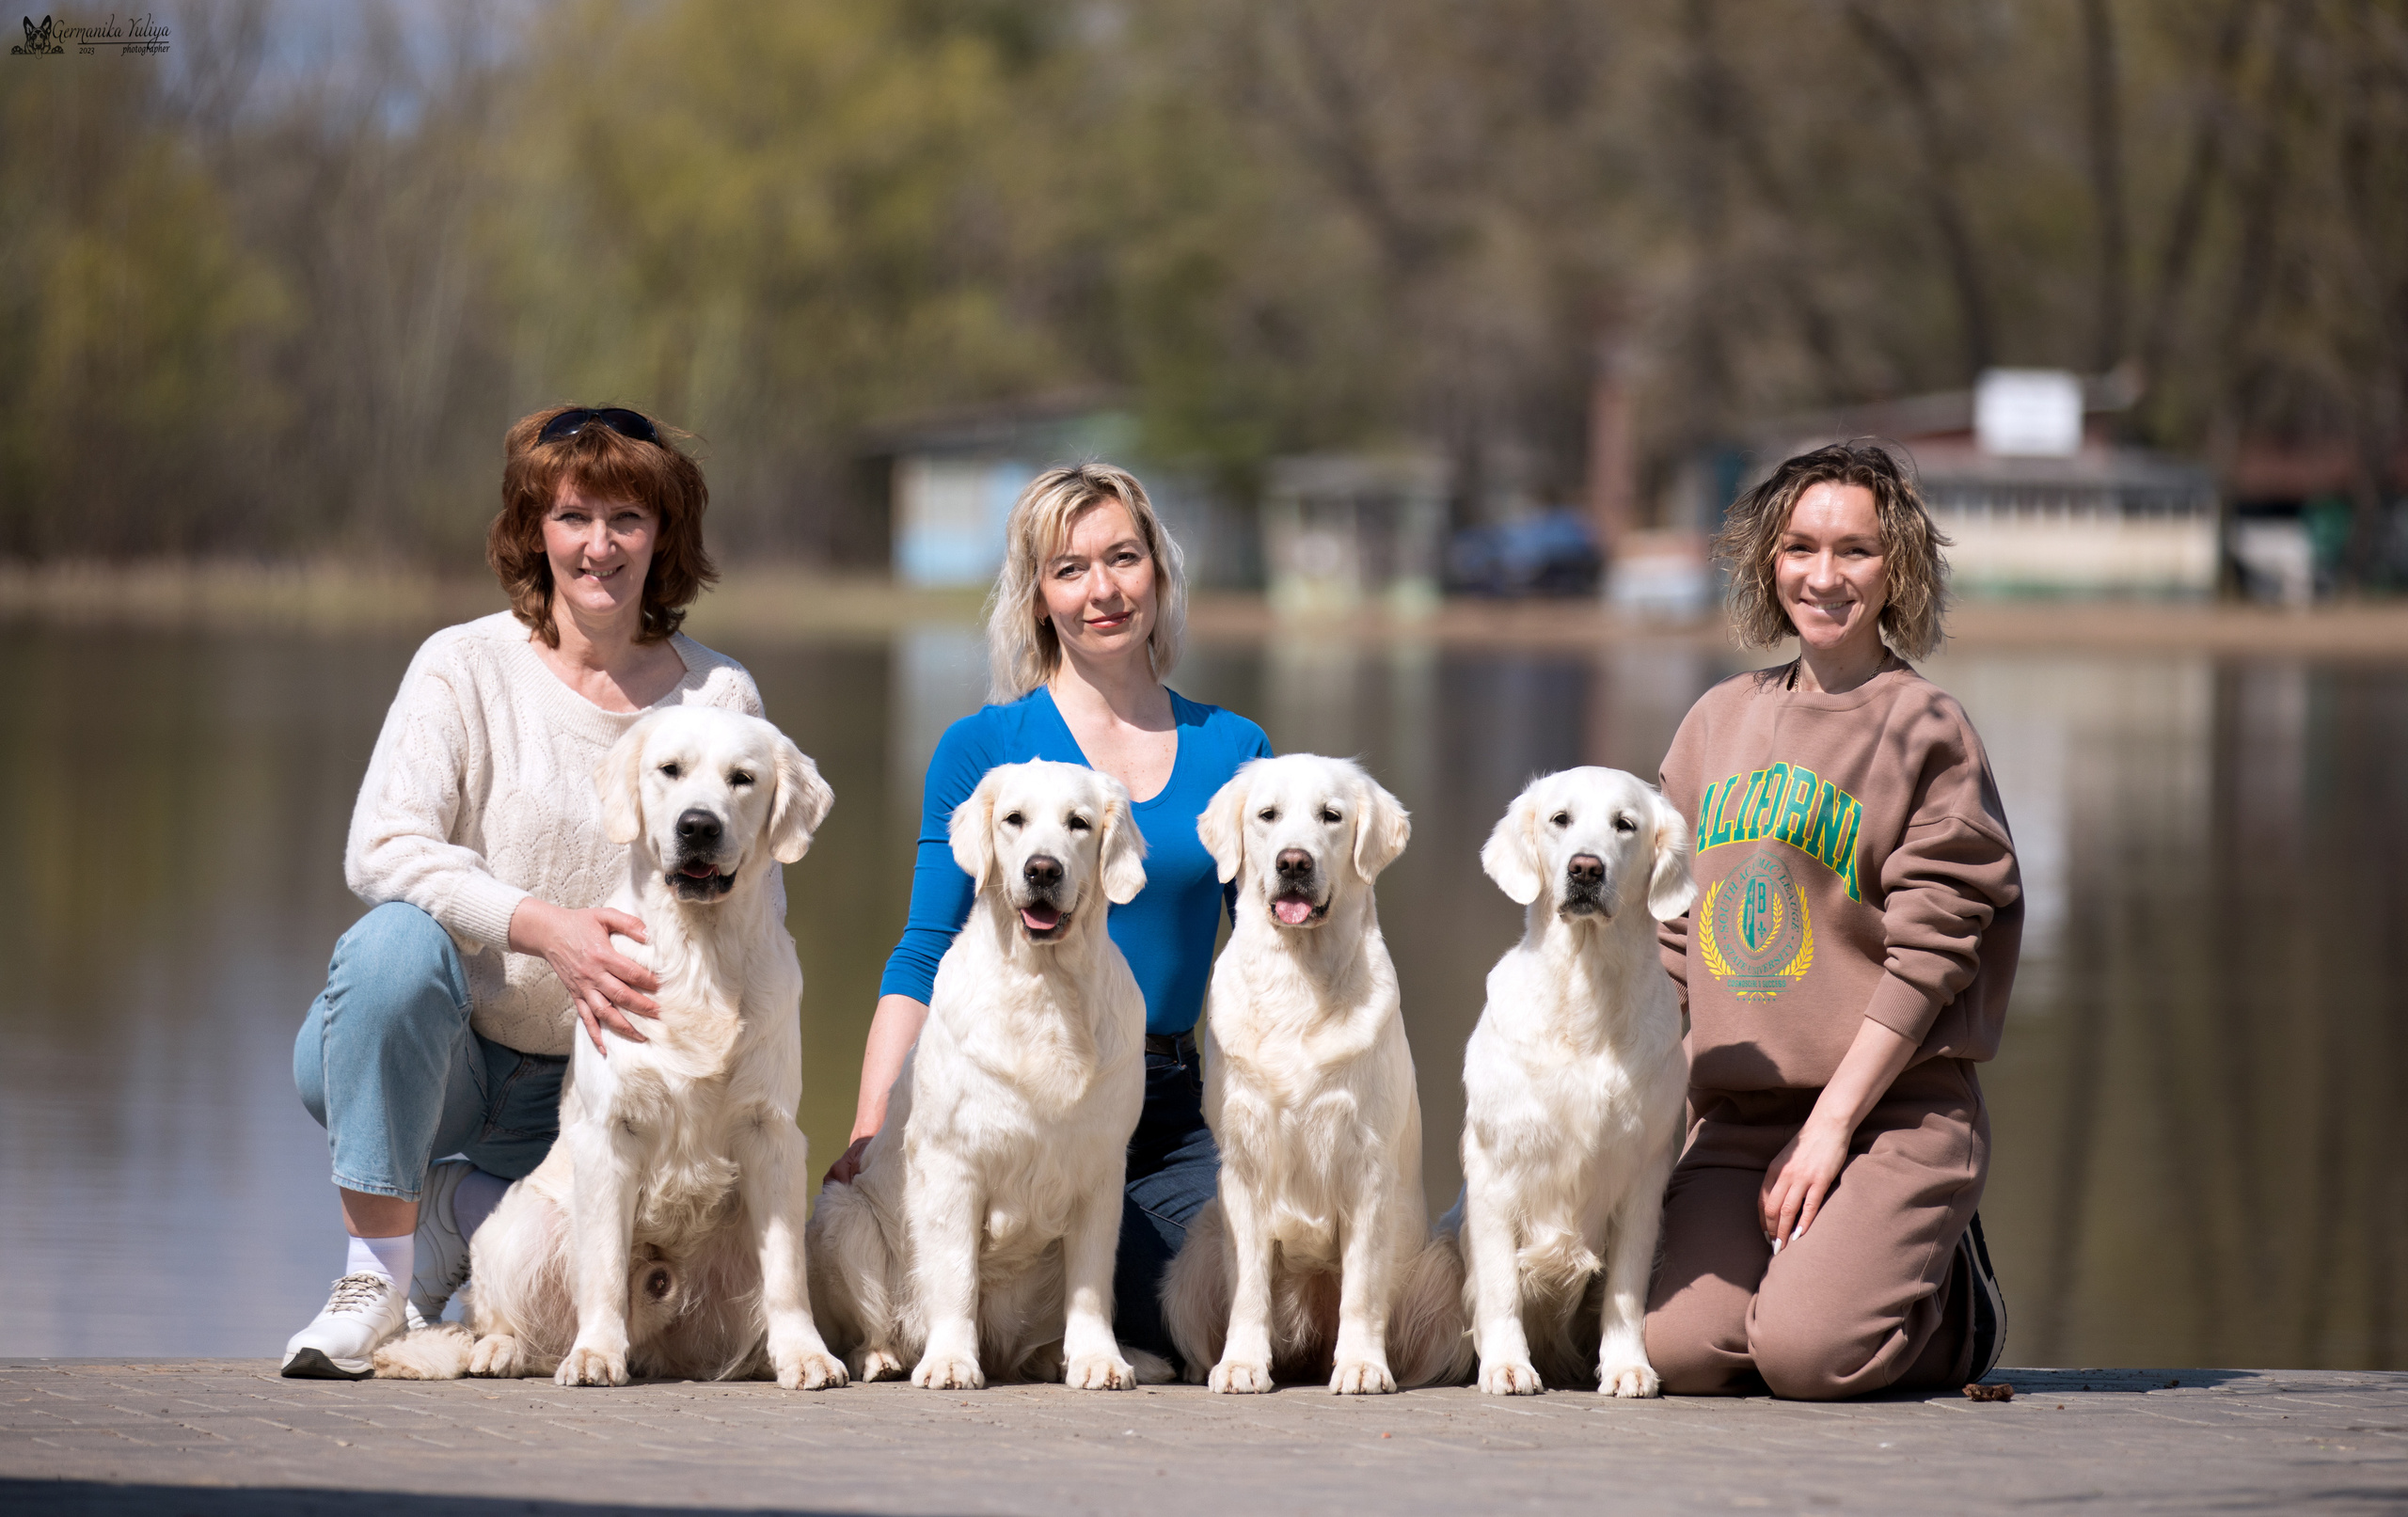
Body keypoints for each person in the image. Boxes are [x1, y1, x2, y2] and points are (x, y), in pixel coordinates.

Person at [281, 405, 772, 1379]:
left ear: (663, 534)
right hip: (453, 1056)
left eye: (628, 517)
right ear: (532, 530)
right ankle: (374, 1280)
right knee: (391, 943)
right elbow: (380, 845)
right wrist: (543, 926)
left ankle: (466, 1210)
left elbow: (755, 906)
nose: (599, 545)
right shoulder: (461, 665)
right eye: (574, 516)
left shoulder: (718, 699)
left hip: (611, 1085)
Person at [824, 462, 1272, 1367]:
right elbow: (923, 948)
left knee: (1263, 1311)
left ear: (1160, 573)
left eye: (1124, 558)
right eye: (1069, 568)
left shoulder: (1236, 747)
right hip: (1011, 1098)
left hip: (1176, 1108)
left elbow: (1272, 954)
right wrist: (873, 1123)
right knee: (1173, 1314)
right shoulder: (985, 747)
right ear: (1037, 596)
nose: (1102, 590)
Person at [1643, 440, 2017, 1399]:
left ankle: (1951, 1305)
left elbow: (1935, 956)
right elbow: (1672, 937)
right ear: (1767, 562)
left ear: (1897, 570)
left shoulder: (1928, 729)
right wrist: (1662, 1112)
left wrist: (1830, 1127)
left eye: (1854, 550)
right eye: (1800, 548)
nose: (1823, 575)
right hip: (1739, 1113)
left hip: (1891, 1109)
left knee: (1806, 1357)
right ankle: (1809, 1283)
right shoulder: (1715, 721)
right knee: (1679, 1351)